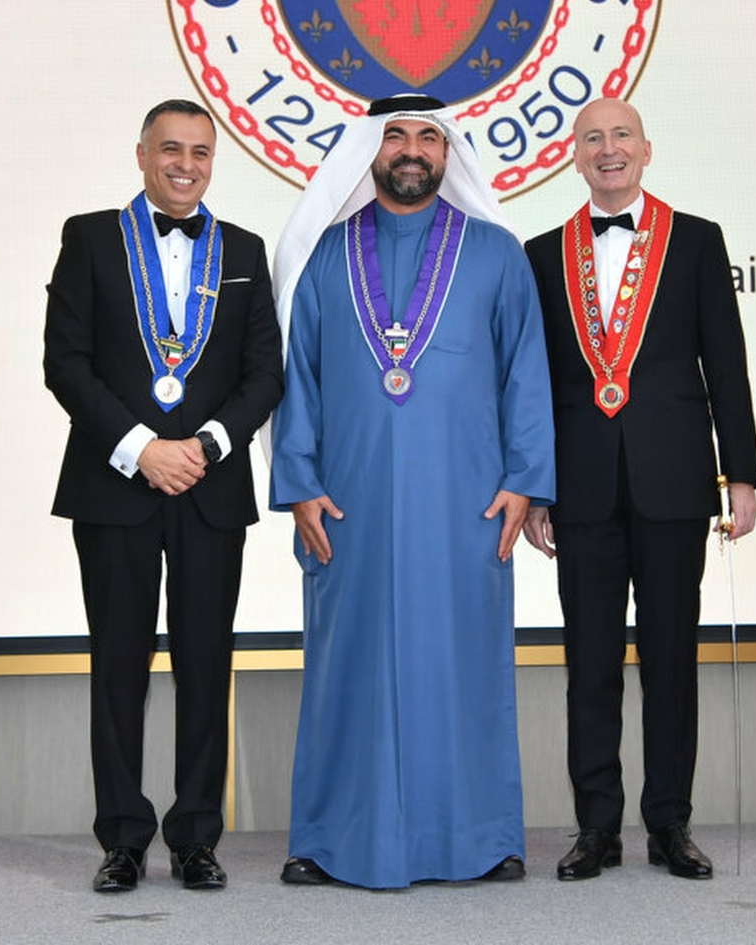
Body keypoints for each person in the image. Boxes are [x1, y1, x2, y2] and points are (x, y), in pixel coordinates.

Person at [268, 93, 555, 889]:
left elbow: (525, 375)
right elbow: (298, 381)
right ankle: (328, 840)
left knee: (464, 664)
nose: (410, 150)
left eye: (428, 137)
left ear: (447, 153)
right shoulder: (324, 256)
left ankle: (483, 838)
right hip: (346, 504)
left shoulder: (497, 253)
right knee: (346, 665)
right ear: (369, 149)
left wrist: (525, 482)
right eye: (394, 135)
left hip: (468, 504)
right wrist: (298, 484)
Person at [43, 99, 283, 893]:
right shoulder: (89, 238)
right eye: (170, 149)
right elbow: (65, 362)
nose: (185, 164)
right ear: (142, 155)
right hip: (115, 484)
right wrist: (141, 448)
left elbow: (265, 374)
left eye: (200, 152)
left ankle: (196, 837)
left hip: (209, 488)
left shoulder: (243, 249)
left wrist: (204, 446)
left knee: (206, 663)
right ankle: (121, 837)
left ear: (213, 162)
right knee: (118, 664)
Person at [522, 97, 756, 881]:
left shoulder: (695, 240)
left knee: (670, 660)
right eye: (591, 138)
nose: (608, 148)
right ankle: (595, 827)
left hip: (675, 482)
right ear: (573, 156)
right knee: (587, 664)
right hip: (579, 487)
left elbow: (725, 362)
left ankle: (669, 824)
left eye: (620, 134)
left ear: (646, 149)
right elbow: (532, 382)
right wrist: (534, 485)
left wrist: (741, 472)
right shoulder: (541, 253)